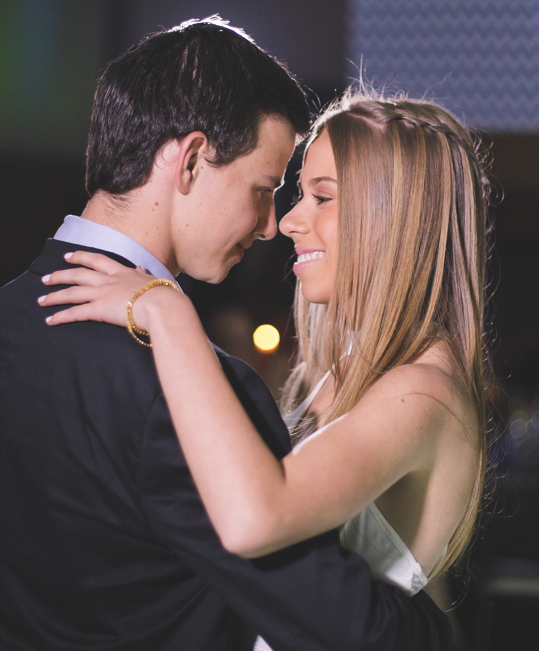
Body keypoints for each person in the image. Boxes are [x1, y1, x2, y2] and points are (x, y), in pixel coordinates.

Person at [0, 20, 453, 650]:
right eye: (263, 190)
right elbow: (341, 628)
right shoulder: (193, 390)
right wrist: (435, 630)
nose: (270, 225)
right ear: (192, 160)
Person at [40, 93, 490, 651]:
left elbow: (253, 520)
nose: (290, 221)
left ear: (396, 215)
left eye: (322, 197)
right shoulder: (354, 372)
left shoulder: (423, 392)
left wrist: (167, 311)